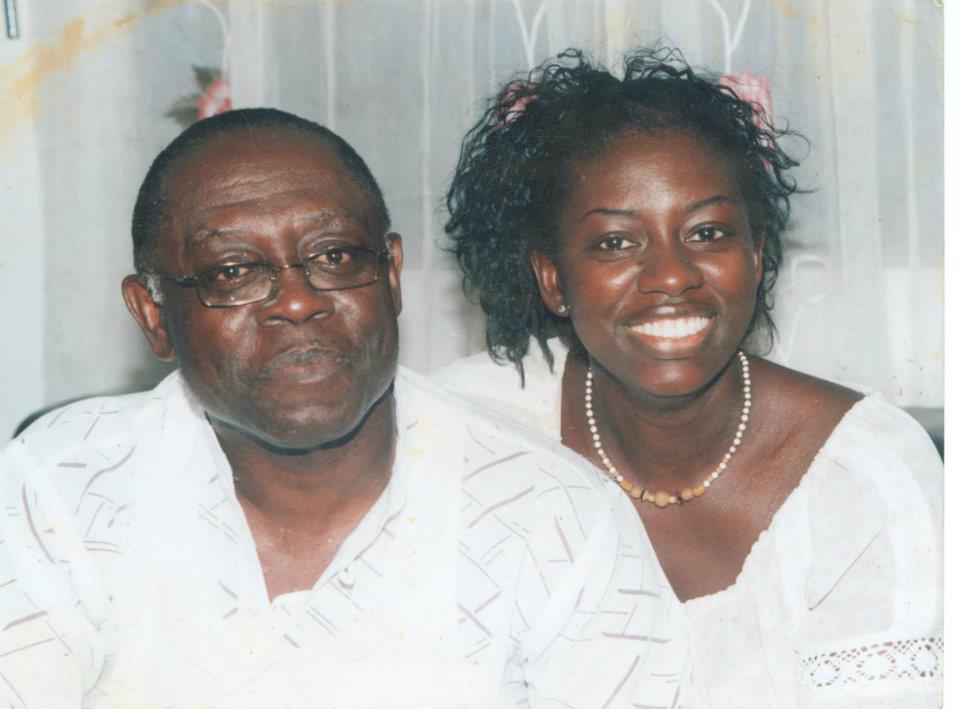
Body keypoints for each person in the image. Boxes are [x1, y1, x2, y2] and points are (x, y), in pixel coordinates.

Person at [0, 109, 688, 707]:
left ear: (390, 277)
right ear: (153, 314)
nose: (298, 302)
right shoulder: (58, 491)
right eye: (234, 271)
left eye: (334, 256)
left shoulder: (555, 517)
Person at [432, 48, 942, 708]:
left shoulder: (867, 477)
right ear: (553, 278)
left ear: (756, 256)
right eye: (616, 242)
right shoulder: (468, 437)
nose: (672, 275)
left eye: (707, 232)